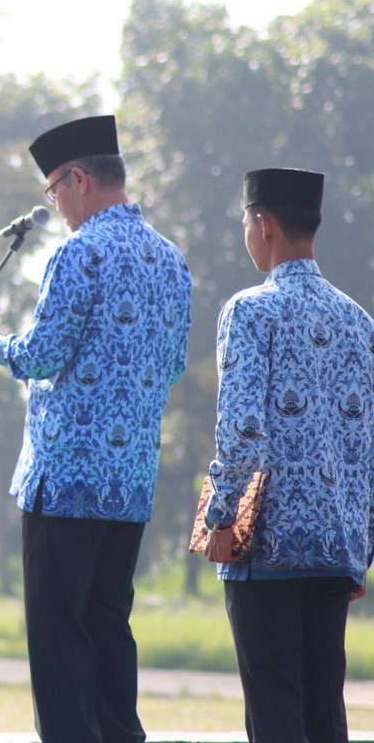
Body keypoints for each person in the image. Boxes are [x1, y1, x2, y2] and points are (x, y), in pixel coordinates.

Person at [0, 114, 192, 742]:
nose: (55, 206)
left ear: (79, 179)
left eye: (54, 190)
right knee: (110, 623)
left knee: (58, 638)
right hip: (130, 481)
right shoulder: (171, 260)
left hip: (64, 481)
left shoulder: (78, 251)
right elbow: (170, 366)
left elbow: (40, 356)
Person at [202, 168, 374, 742]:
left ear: (263, 223)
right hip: (334, 547)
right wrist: (360, 548)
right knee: (326, 711)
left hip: (268, 543)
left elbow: (244, 430)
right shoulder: (358, 322)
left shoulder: (251, 310)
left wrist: (220, 515)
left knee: (276, 712)